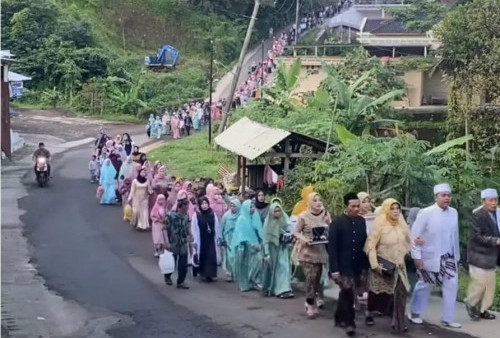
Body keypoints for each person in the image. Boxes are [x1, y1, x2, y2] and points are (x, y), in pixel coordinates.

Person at [409, 183, 461, 328]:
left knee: (451, 285)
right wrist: (417, 256)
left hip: (449, 256)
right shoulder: (426, 212)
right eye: (443, 195)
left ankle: (448, 318)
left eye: (448, 195)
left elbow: (455, 236)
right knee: (424, 285)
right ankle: (415, 313)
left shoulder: (454, 212)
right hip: (430, 255)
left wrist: (457, 256)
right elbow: (415, 235)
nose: (447, 198)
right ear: (436, 197)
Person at [364, 198, 412, 333]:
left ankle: (399, 324)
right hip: (385, 266)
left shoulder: (401, 225)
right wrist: (374, 265)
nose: (396, 211)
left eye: (397, 208)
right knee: (381, 294)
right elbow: (371, 246)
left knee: (401, 293)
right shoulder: (380, 226)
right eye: (392, 208)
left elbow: (408, 242)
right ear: (386, 210)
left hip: (400, 266)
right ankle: (372, 312)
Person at [329, 192, 369, 336]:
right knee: (348, 294)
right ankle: (350, 323)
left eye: (358, 206)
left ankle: (339, 317)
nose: (356, 209)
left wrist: (365, 266)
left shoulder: (361, 221)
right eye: (353, 206)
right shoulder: (337, 222)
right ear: (346, 206)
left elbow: (364, 244)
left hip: (357, 265)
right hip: (342, 266)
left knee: (347, 293)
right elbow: (332, 248)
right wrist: (334, 269)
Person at [464, 188, 500, 320]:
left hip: (492, 256)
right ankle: (471, 303)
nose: (494, 203)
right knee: (479, 283)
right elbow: (476, 236)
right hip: (478, 255)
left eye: (495, 200)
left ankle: (483, 310)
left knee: (489, 286)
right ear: (483, 201)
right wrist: (495, 241)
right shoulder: (478, 215)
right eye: (491, 200)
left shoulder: (498, 213)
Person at [294, 192, 331, 318]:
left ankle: (311, 300)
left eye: (319, 200)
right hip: (307, 252)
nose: (318, 202)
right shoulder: (303, 216)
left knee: (316, 280)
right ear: (309, 203)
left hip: (319, 252)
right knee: (310, 278)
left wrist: (329, 222)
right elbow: (296, 232)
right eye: (315, 200)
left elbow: (330, 230)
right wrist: (303, 239)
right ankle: (310, 305)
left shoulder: (325, 214)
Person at [261, 200, 294, 299]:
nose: (278, 213)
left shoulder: (284, 219)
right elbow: (266, 239)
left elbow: (290, 228)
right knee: (271, 270)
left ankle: (283, 289)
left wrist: (288, 236)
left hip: (282, 248)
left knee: (283, 267)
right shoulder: (268, 223)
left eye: (279, 211)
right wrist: (267, 253)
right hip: (272, 249)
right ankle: (271, 288)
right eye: (275, 211)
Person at [231, 199, 263, 292]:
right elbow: (241, 235)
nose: (253, 209)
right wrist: (252, 245)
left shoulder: (253, 217)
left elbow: (258, 230)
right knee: (245, 266)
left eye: (253, 206)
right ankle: (245, 284)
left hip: (253, 246)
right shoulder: (242, 219)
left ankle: (253, 281)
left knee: (257, 263)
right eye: (250, 207)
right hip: (244, 247)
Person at [164, 197, 192, 289]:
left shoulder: (186, 216)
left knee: (183, 264)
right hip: (173, 242)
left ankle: (181, 282)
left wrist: (191, 235)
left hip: (183, 242)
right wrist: (166, 242)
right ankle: (167, 276)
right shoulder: (171, 216)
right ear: (180, 206)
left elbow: (188, 227)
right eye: (185, 205)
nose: (187, 207)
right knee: (171, 263)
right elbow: (164, 229)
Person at [191, 197, 222, 282]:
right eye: (202, 204)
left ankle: (211, 274)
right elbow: (194, 228)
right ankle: (203, 273)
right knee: (202, 255)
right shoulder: (196, 215)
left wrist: (219, 237)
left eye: (206, 203)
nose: (204, 206)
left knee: (211, 256)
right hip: (201, 238)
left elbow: (216, 226)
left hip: (211, 238)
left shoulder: (212, 214)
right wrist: (194, 239)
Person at [221, 199, 241, 282]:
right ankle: (229, 273)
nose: (232, 208)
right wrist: (222, 238)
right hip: (228, 238)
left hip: (237, 238)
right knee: (229, 257)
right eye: (231, 206)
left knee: (237, 256)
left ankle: (237, 273)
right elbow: (222, 227)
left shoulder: (241, 216)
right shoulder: (226, 216)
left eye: (234, 206)